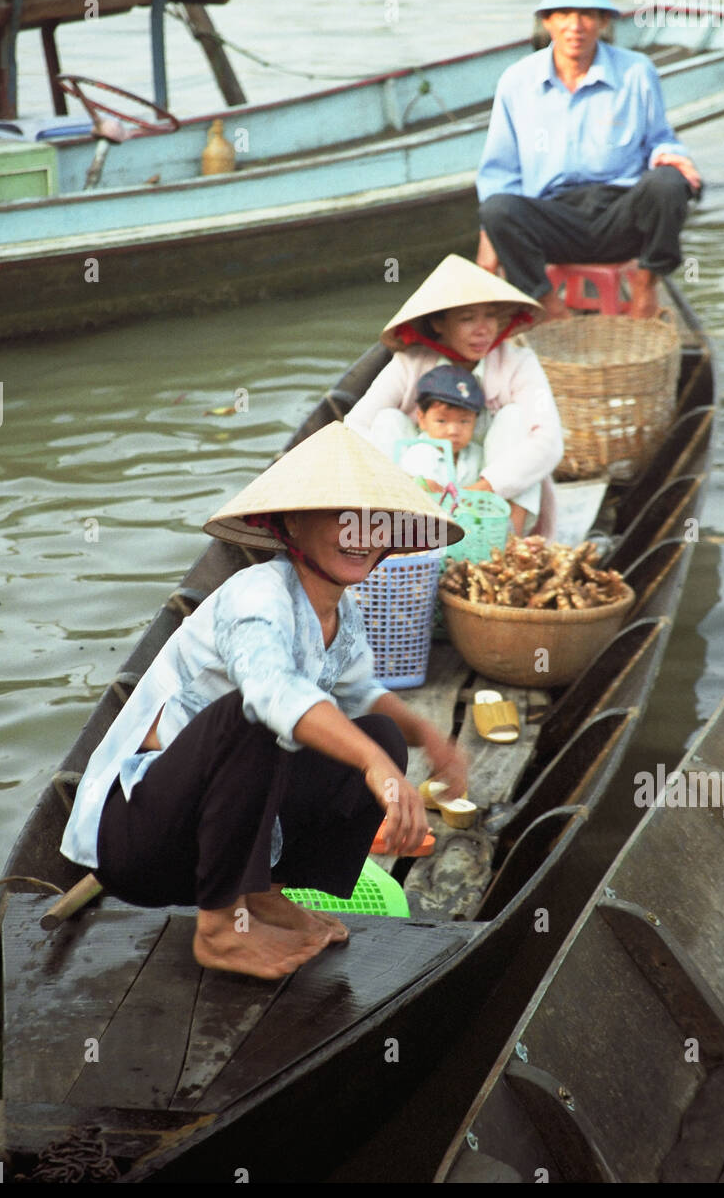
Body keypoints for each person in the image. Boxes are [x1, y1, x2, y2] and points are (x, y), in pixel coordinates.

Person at [60, 422, 467, 981]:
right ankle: (221, 928)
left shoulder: (340, 613)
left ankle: (267, 894)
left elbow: (360, 694)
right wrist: (376, 770)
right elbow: (272, 692)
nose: (360, 532)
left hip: (225, 834)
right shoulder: (258, 594)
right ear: (293, 523)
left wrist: (432, 741)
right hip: (142, 838)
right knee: (254, 722)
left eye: (374, 520)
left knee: (380, 734)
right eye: (339, 516)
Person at [476, 0, 703, 319]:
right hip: (552, 219)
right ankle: (549, 306)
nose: (575, 26)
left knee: (668, 183)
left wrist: (673, 157)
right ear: (547, 21)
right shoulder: (516, 82)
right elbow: (498, 176)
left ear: (602, 21)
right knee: (498, 208)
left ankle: (646, 287)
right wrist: (489, 243)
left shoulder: (636, 72)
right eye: (563, 14)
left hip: (621, 215)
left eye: (586, 14)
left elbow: (660, 139)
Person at [345, 254, 563, 536]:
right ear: (438, 324)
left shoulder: (519, 361)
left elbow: (549, 440)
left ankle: (507, 542)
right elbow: (356, 426)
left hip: (493, 491)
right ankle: (401, 532)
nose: (482, 330)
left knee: (514, 418)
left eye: (490, 317)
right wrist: (411, 483)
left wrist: (480, 491)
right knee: (386, 419)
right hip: (427, 483)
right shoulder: (409, 363)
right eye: (467, 319)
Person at [370, 363, 486, 490]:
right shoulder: (418, 455)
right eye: (441, 421)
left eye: (464, 421)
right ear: (422, 419)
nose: (453, 431)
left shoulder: (478, 454)